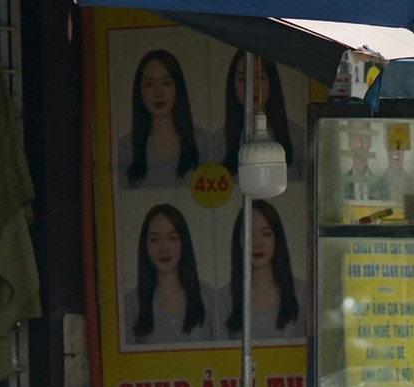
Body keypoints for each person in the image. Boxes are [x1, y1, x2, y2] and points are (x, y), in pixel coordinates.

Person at [122, 204, 213, 346]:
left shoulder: (208, 297)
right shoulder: (131, 304)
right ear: (145, 245)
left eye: (172, 238)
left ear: (183, 243)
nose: (164, 248)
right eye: (155, 239)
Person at [220, 199, 306, 340]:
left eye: (266, 234)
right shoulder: (223, 299)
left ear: (277, 238)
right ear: (239, 240)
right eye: (249, 234)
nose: (257, 243)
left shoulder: (302, 293)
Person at [118, 50, 203, 188]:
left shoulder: (202, 141)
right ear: (139, 91)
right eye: (149, 84)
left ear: (178, 87)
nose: (158, 92)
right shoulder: (124, 148)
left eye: (166, 83)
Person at [218, 50, 301, 180]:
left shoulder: (296, 136)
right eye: (243, 79)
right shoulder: (218, 142)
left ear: (271, 82)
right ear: (233, 85)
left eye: (261, 77)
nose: (253, 87)